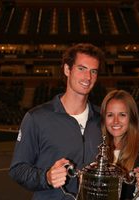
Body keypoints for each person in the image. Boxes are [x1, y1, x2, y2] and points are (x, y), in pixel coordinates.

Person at [9, 43, 105, 200]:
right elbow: (17, 169)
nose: (88, 77)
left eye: (93, 71)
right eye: (81, 68)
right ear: (67, 70)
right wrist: (46, 177)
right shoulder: (37, 118)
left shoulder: (102, 118)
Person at [100, 89, 139, 200]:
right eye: (110, 115)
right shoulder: (98, 150)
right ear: (104, 118)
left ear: (131, 118)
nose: (115, 121)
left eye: (122, 115)